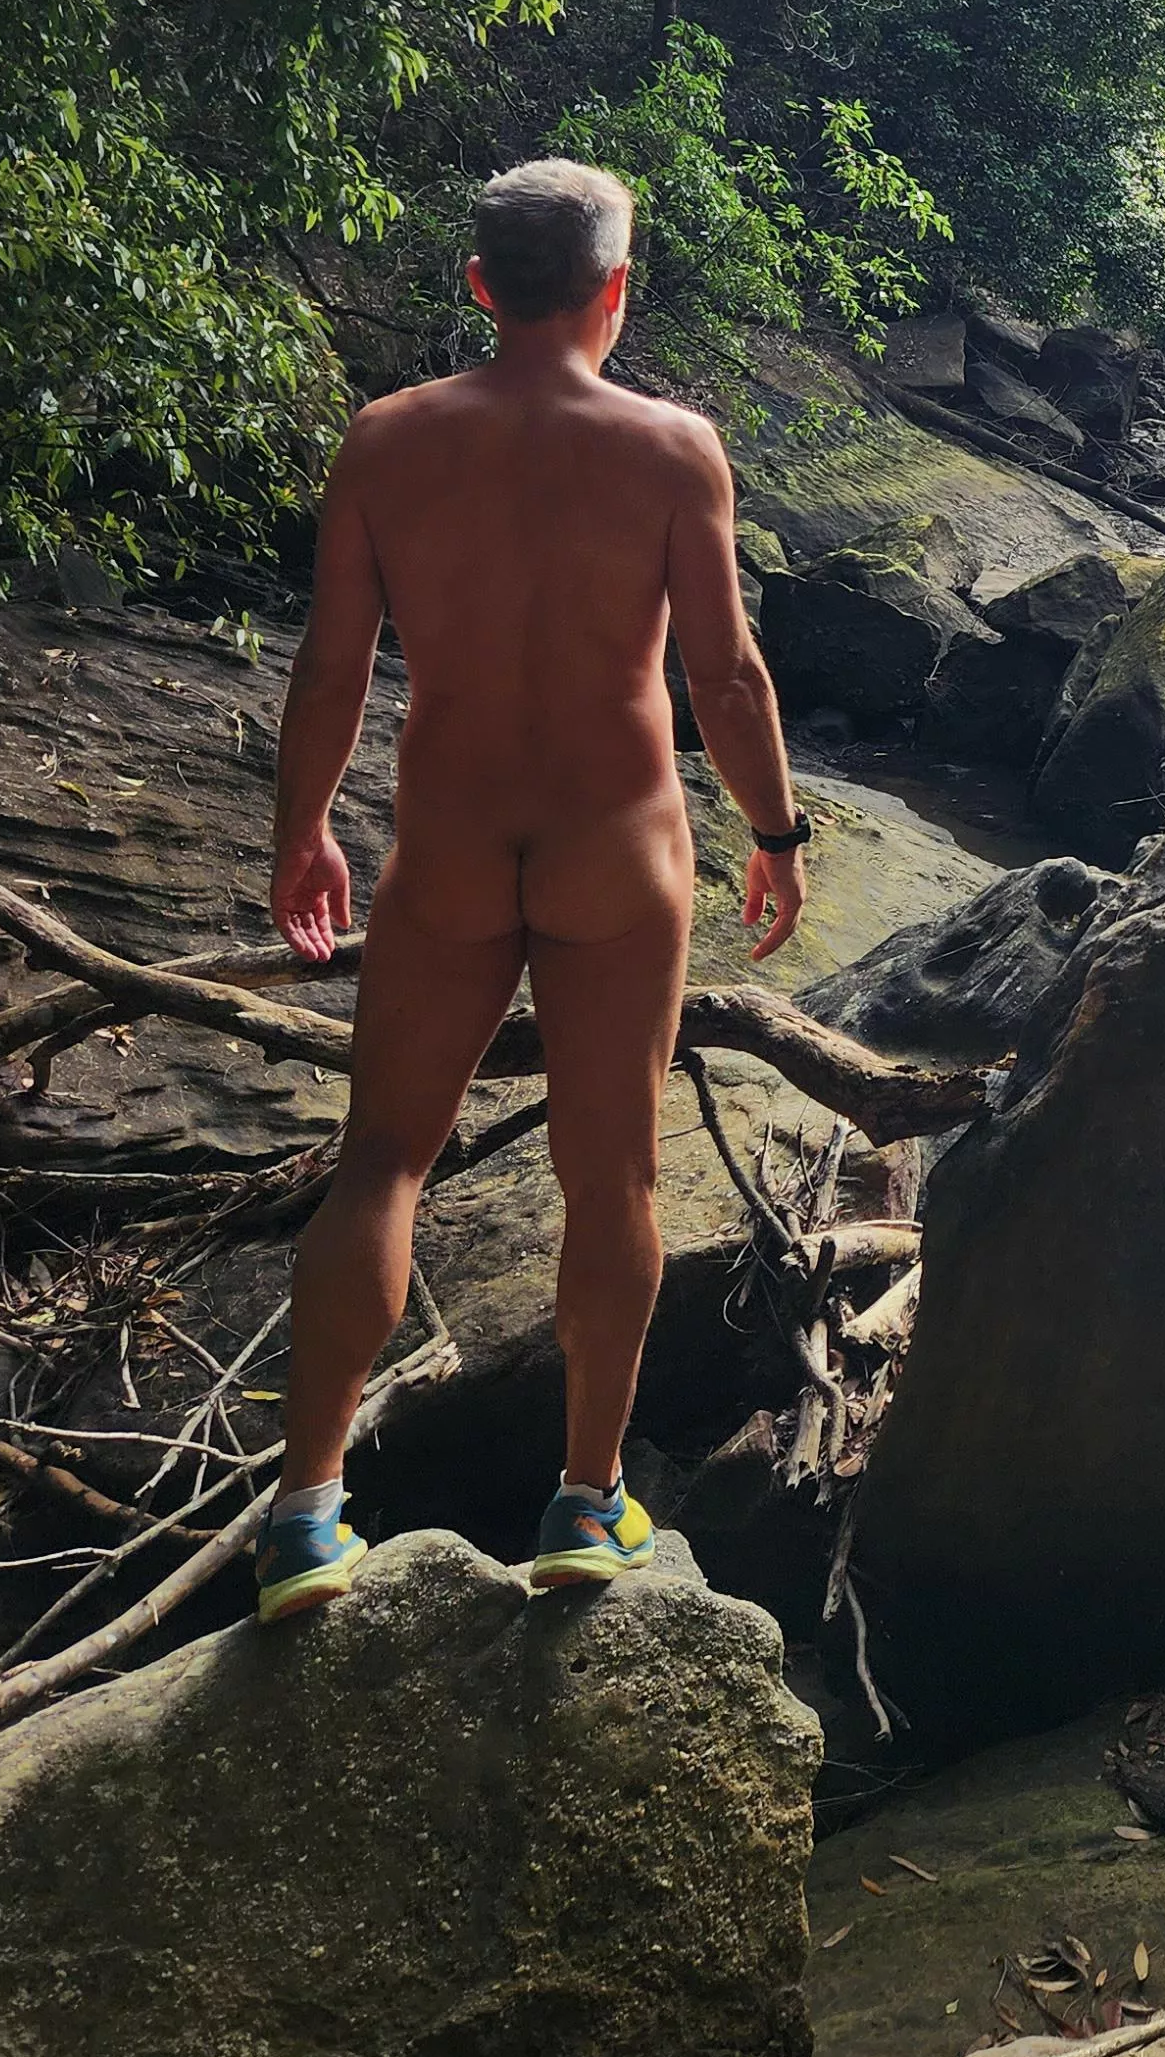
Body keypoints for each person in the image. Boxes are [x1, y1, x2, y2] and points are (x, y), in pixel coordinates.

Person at [253, 157, 812, 1621]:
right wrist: (777, 829)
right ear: (615, 291)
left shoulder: (386, 441)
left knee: (383, 1160)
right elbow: (725, 675)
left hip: (447, 840)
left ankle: (307, 1516)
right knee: (609, 1172)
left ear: (480, 285)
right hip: (616, 848)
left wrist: (301, 828)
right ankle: (585, 1501)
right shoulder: (673, 448)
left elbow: (332, 665)